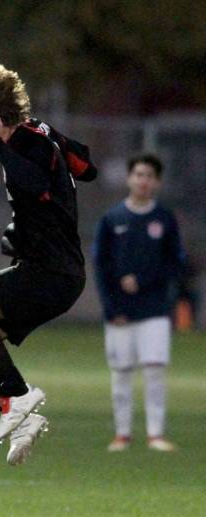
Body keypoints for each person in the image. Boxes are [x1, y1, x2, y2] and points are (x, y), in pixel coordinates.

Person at [0, 63, 97, 466]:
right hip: (51, 271)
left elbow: (35, 185)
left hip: (52, 273)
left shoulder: (25, 144)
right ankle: (20, 418)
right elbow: (88, 168)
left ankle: (21, 397)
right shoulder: (37, 134)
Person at [93, 153, 186, 452]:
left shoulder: (164, 219)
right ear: (129, 178)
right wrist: (112, 308)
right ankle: (122, 434)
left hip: (155, 309)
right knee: (121, 371)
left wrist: (144, 280)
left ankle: (155, 434)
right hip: (120, 311)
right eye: (138, 175)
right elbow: (101, 267)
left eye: (149, 176)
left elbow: (176, 264)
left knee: (155, 369)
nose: (143, 181)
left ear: (157, 182)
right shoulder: (112, 219)